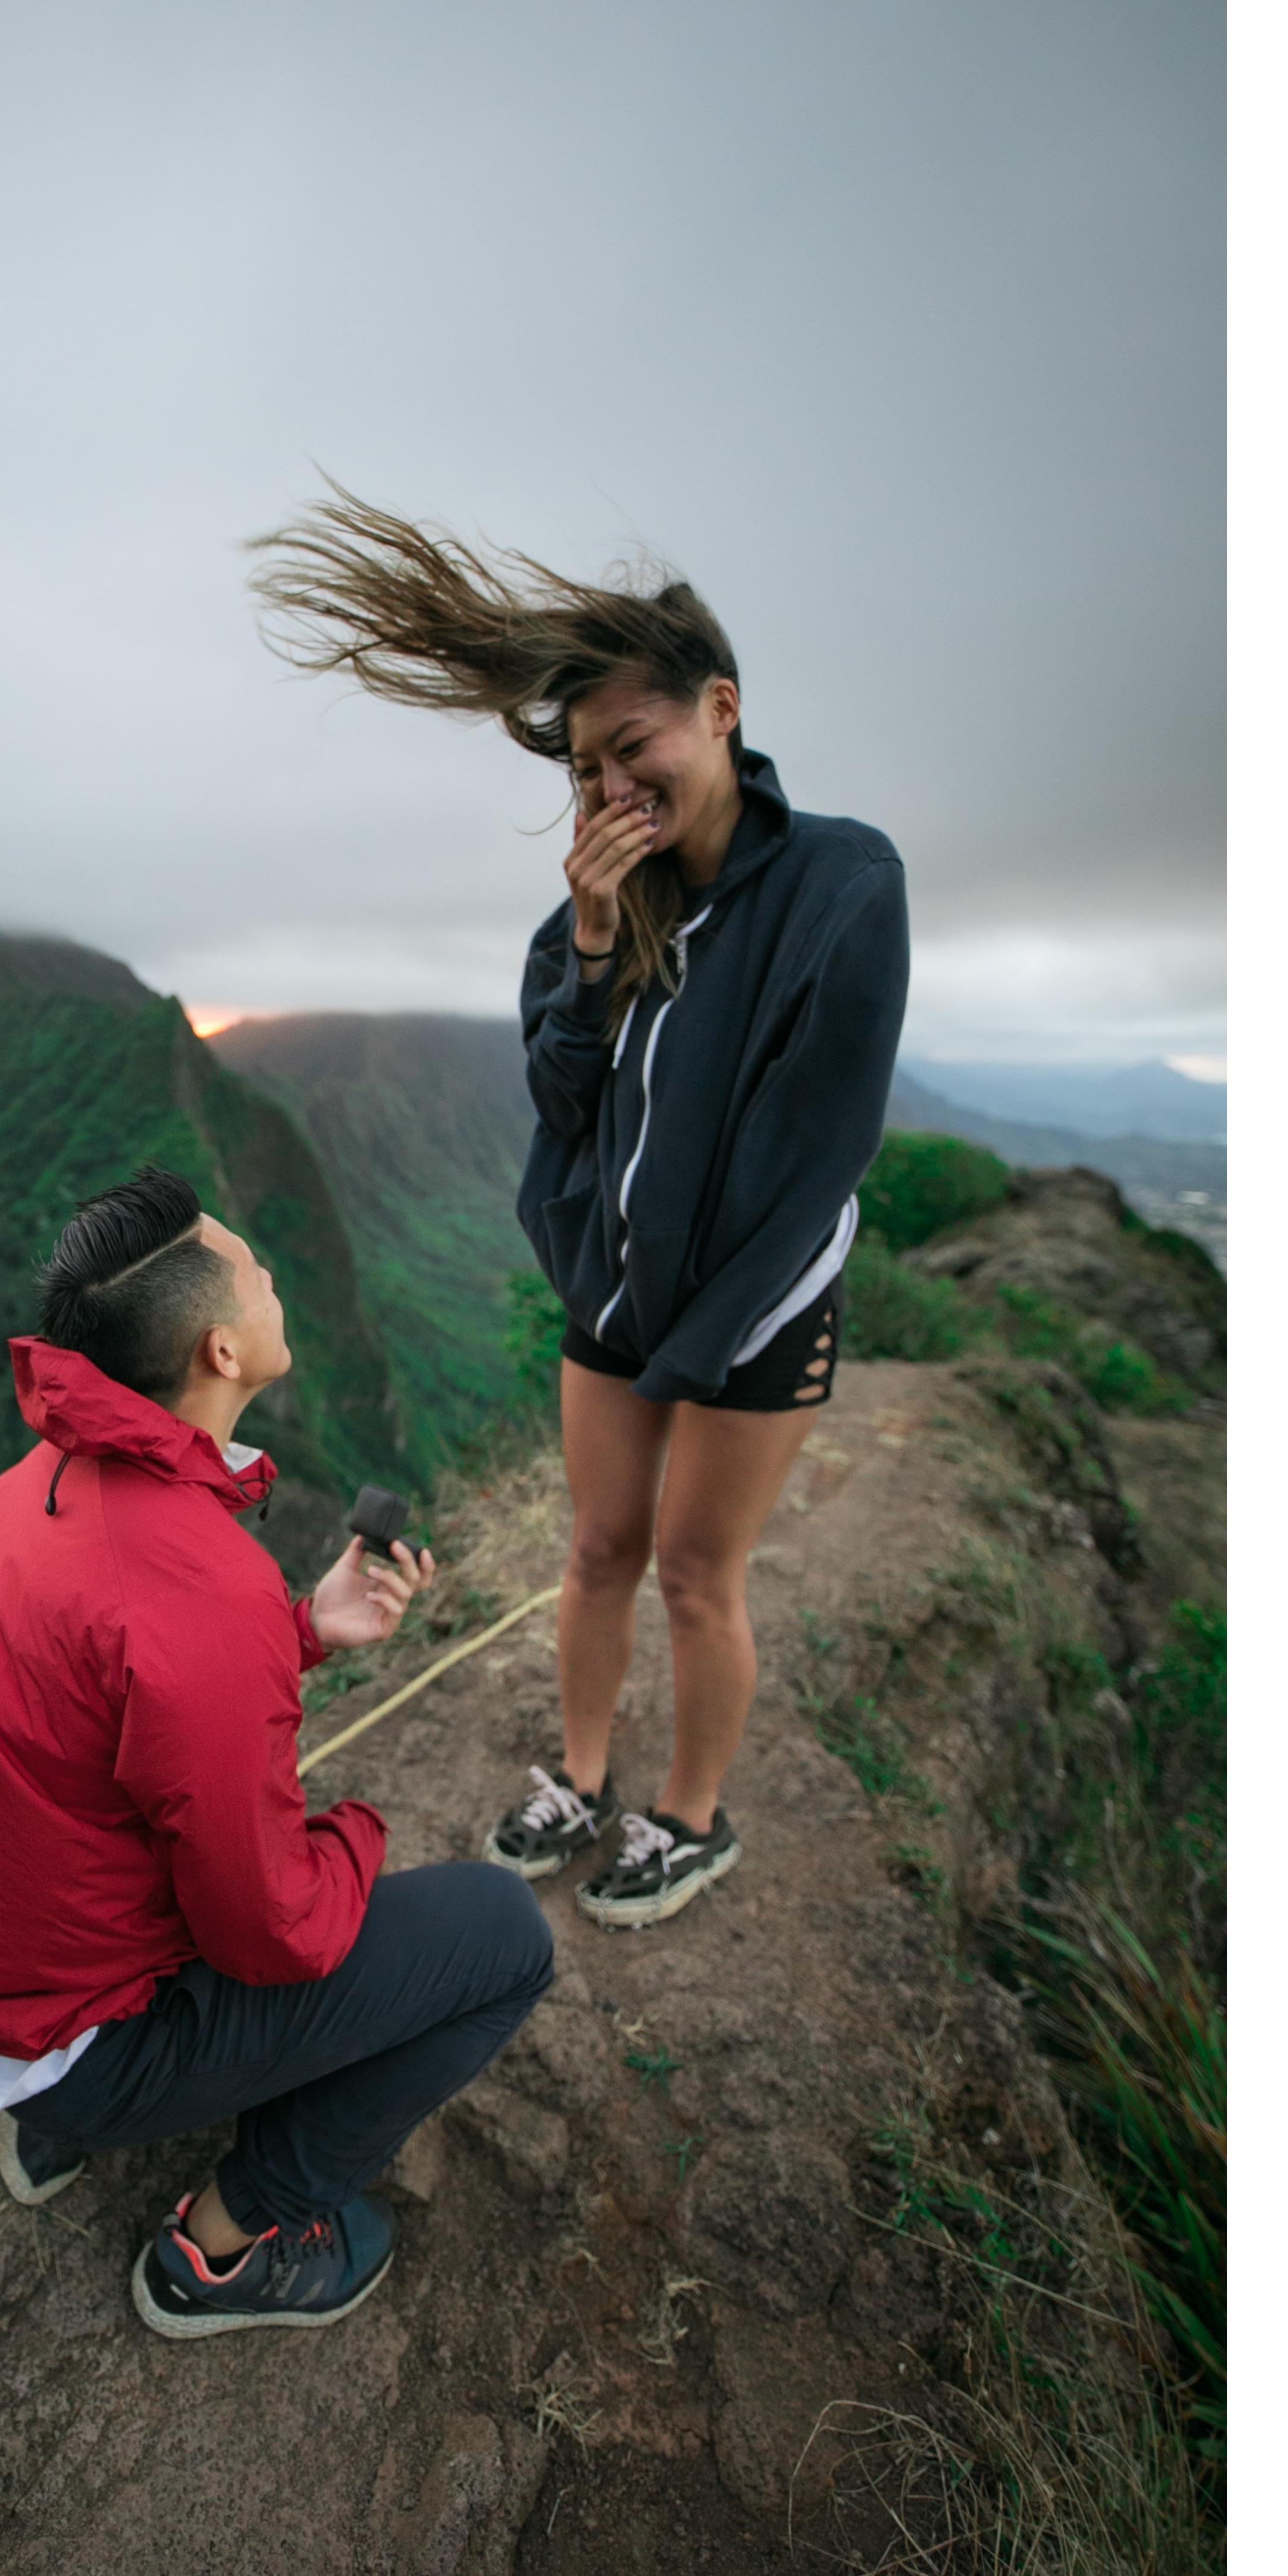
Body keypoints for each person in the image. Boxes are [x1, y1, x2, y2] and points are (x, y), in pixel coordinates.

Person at [249, 489, 908, 1929]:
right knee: (598, 1552)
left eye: (636, 749)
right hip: (612, 1293)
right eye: (590, 774)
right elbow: (565, 1107)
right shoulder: (589, 916)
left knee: (693, 1570)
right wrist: (600, 945)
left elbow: (823, 1144)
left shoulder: (842, 885)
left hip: (760, 1300)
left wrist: (705, 1338)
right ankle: (583, 1779)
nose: (615, 791)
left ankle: (690, 1815)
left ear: (720, 708)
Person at [0, 1165, 555, 2337]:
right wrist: (355, 1838)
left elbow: (116, 1701)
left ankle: (38, 2125)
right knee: (503, 1938)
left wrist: (298, 1632)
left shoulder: (47, 1480)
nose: (272, 1276)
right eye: (255, 1271)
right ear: (222, 1353)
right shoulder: (195, 1589)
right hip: (77, 2035)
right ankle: (227, 2244)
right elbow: (277, 1935)